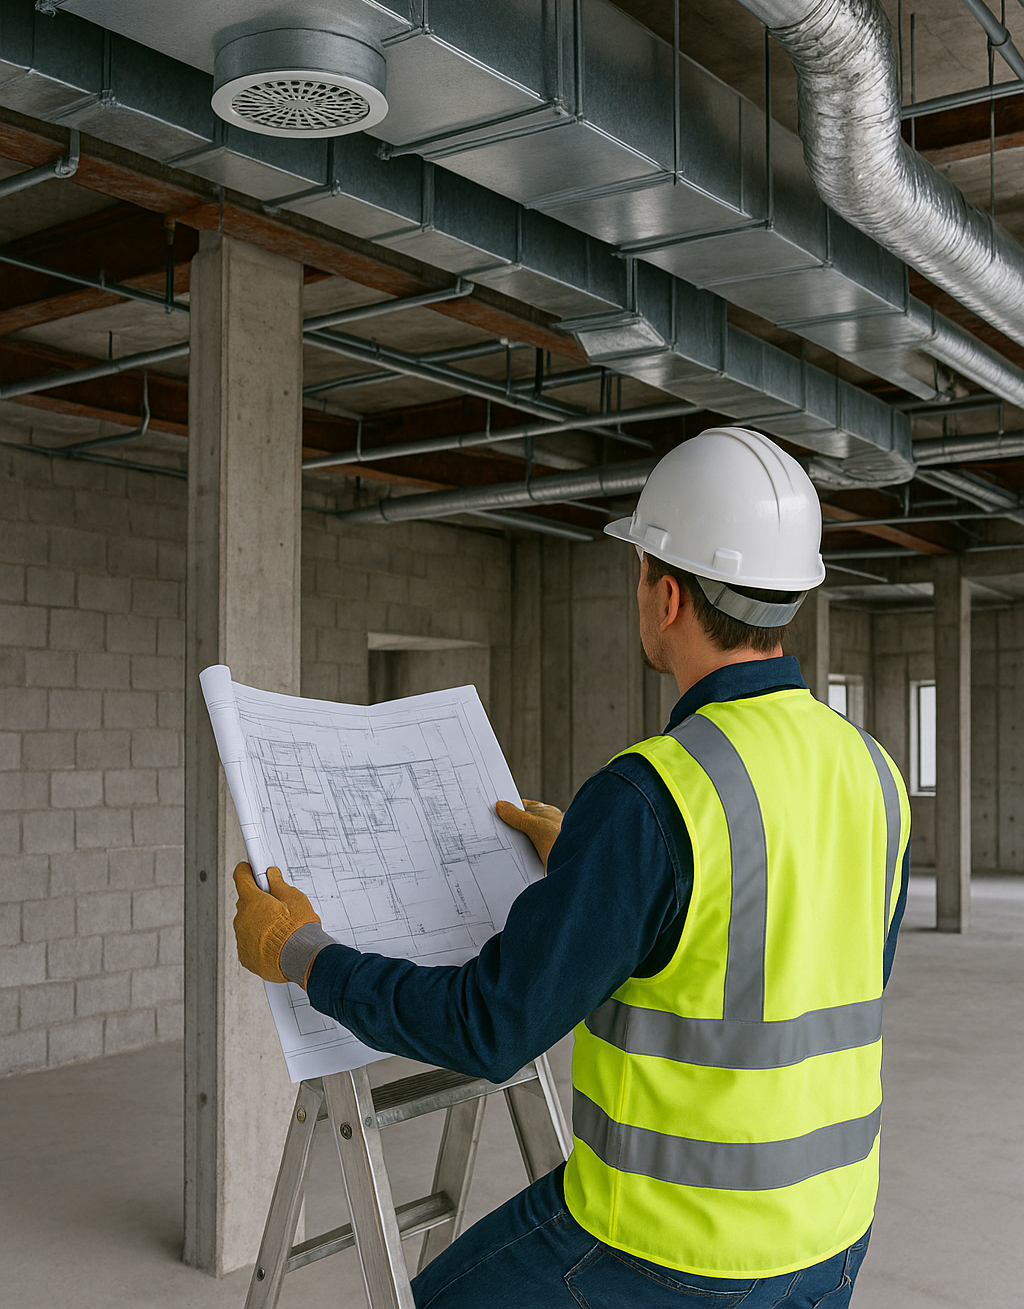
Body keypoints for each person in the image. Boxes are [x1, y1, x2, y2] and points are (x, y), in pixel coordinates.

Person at [234, 426, 911, 1308]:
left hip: (669, 1246)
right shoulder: (875, 770)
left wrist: (300, 951)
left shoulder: (654, 795)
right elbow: (801, 956)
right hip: (833, 1236)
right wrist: (606, 879)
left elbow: (491, 1029)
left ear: (666, 595)